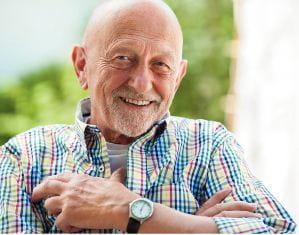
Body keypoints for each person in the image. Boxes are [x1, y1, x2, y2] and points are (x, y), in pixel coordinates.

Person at [0, 0, 296, 233]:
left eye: (161, 65)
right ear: (82, 66)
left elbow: (277, 231)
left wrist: (127, 210)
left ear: (178, 77)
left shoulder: (209, 145)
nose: (142, 82)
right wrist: (190, 227)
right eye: (123, 58)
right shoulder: (24, 159)